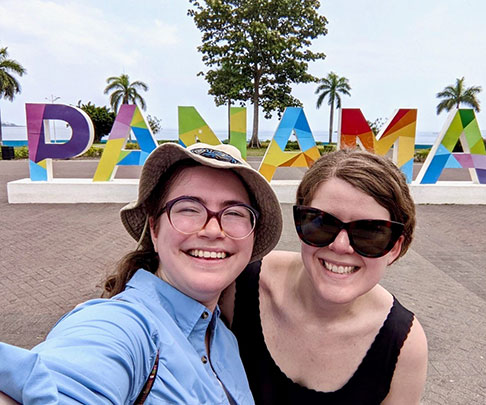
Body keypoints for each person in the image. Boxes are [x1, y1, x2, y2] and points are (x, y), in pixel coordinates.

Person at [0, 142, 282, 404]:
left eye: (234, 213)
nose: (211, 230)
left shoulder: (223, 336)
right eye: (188, 208)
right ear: (155, 230)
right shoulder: (122, 326)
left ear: (251, 236)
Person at [223, 148, 428, 404]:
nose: (341, 246)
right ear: (300, 222)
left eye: (369, 232)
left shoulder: (402, 345)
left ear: (395, 248)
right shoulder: (238, 285)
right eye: (322, 223)